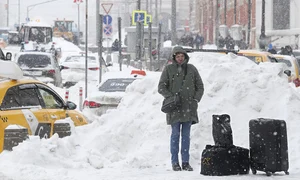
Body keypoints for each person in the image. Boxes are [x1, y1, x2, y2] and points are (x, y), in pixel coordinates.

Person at [158, 46, 204, 171]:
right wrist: (171, 97)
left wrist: (195, 99)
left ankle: (185, 162)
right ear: (174, 57)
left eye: (182, 56)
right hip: (175, 108)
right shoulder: (168, 69)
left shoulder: (191, 69)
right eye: (177, 56)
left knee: (186, 136)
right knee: (175, 135)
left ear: (185, 57)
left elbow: (200, 86)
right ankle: (174, 162)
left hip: (189, 107)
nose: (180, 59)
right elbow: (161, 87)